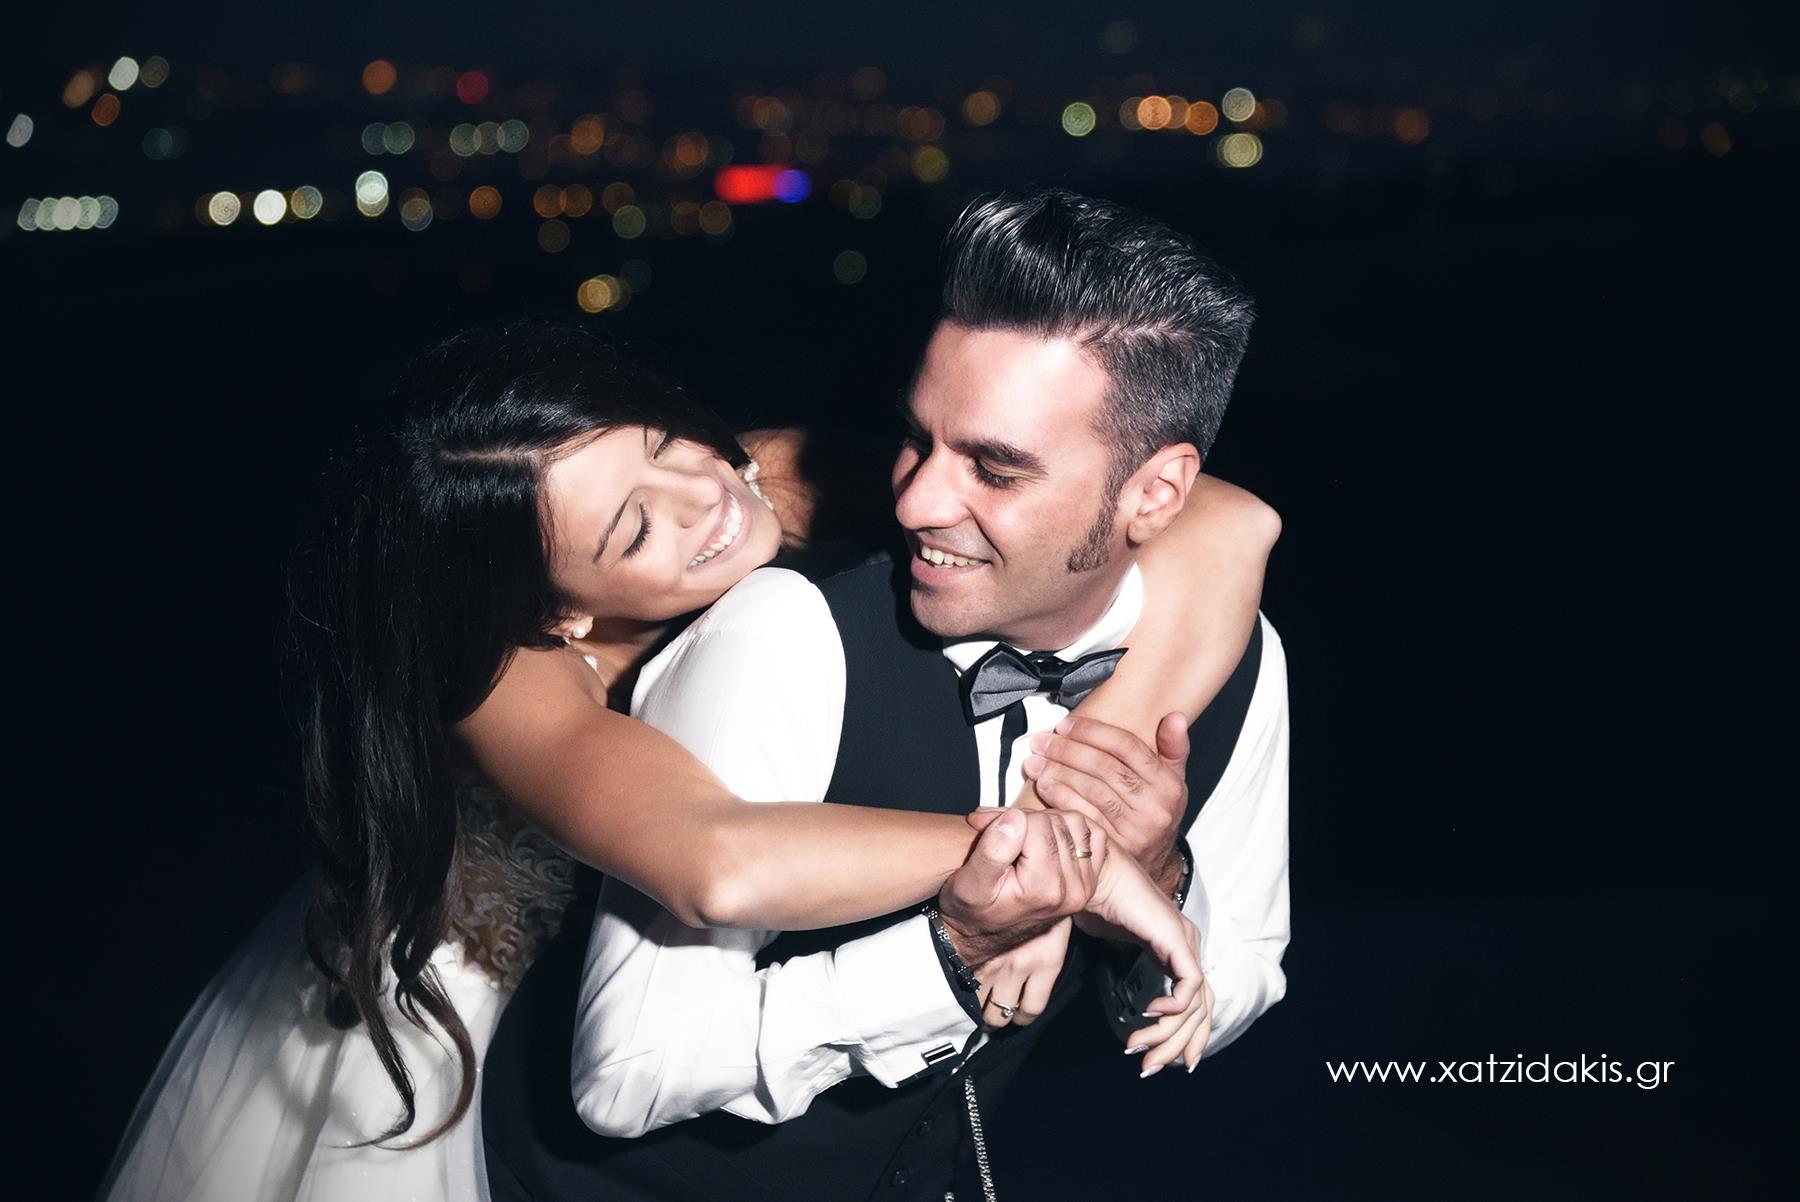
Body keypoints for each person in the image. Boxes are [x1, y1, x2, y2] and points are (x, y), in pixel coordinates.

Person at [98, 315, 1278, 1201]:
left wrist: (1100, 769)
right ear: (557, 607)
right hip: (444, 1043)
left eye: (665, 441)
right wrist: (1060, 862)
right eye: (634, 526)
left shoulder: (750, 477)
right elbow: (717, 863)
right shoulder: (513, 682)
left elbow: (1229, 524)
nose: (704, 497)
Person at [479, 187, 1289, 1202]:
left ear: (1158, 493)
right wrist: (961, 941)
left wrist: (1155, 880)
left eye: (995, 468)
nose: (914, 500)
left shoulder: (1234, 651)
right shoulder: (775, 632)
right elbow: (630, 1066)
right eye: (915, 437)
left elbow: (1237, 977)